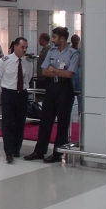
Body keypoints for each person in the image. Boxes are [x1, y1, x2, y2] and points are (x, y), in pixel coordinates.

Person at [24, 26, 80, 163]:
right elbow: (44, 71)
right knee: (45, 120)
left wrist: (53, 70)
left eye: (54, 37)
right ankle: (39, 151)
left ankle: (58, 153)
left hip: (65, 88)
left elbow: (69, 74)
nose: (52, 39)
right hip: (51, 87)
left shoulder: (73, 53)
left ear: (62, 38)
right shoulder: (51, 51)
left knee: (62, 122)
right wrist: (58, 72)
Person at [0, 37, 34, 164]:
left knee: (20, 123)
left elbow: (29, 77)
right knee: (8, 124)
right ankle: (9, 152)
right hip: (8, 94)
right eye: (22, 47)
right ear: (15, 47)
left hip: (22, 95)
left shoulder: (28, 62)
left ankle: (17, 149)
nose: (24, 50)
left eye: (26, 47)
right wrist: (4, 90)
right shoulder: (4, 61)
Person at [70, 34, 82, 112]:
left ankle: (80, 111)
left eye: (77, 40)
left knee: (80, 94)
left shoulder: (81, 51)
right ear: (71, 41)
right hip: (71, 75)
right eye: (74, 40)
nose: (76, 41)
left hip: (79, 75)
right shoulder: (69, 51)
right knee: (70, 94)